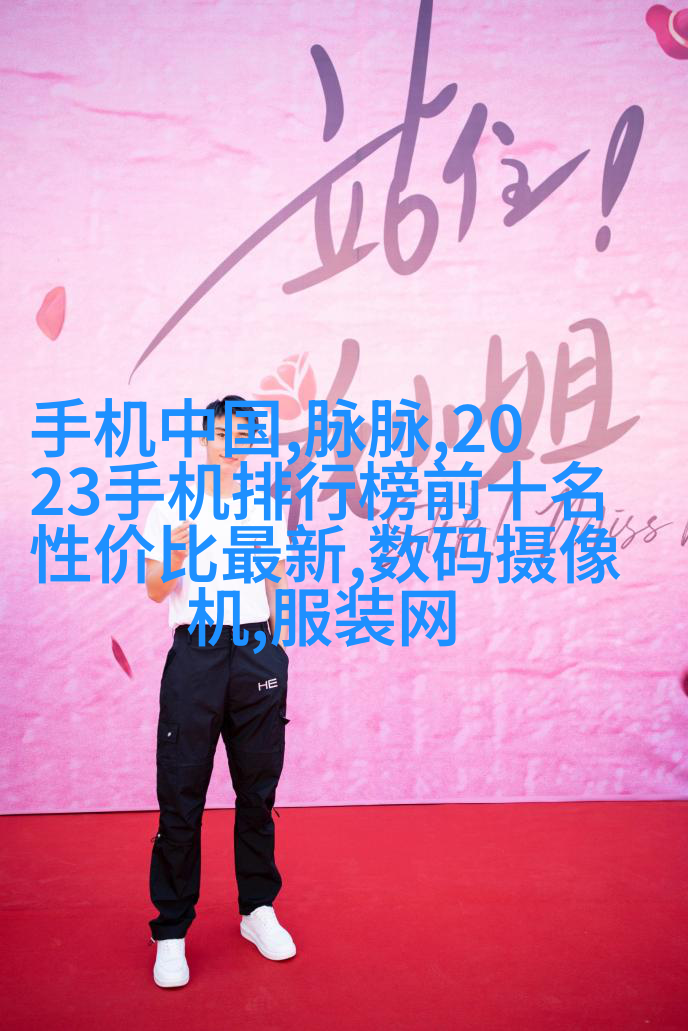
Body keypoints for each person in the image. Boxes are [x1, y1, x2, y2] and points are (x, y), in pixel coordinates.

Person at [143, 394, 295, 989]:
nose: (234, 443)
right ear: (204, 439)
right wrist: (175, 553)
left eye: (245, 434)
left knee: (257, 789)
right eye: (223, 433)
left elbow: (274, 580)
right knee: (181, 794)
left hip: (255, 650)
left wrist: (275, 648)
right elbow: (156, 589)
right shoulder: (172, 504)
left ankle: (257, 909)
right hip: (197, 652)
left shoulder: (265, 507)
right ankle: (171, 930)